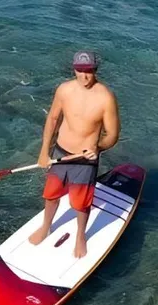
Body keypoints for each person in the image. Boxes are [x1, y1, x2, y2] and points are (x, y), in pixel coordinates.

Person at [28, 50, 120, 258]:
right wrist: (44, 151)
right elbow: (52, 119)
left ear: (95, 70)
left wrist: (98, 148)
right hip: (60, 152)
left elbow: (113, 135)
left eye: (88, 71)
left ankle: (80, 236)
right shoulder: (64, 90)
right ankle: (46, 226)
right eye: (80, 70)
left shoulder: (106, 98)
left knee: (80, 204)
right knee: (51, 196)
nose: (84, 76)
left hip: (84, 161)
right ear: (74, 69)